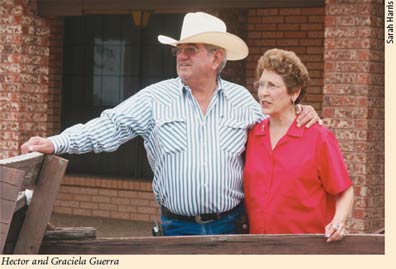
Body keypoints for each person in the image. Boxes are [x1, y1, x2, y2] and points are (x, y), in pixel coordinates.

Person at [21, 12, 320, 236]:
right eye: (179, 49)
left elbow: (279, 125)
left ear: (216, 58)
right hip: (176, 227)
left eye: (191, 48)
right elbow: (108, 127)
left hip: (232, 226)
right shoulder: (155, 98)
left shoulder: (242, 101)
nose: (181, 55)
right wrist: (55, 142)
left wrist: (302, 110)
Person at [243, 48, 354, 242]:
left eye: (272, 85)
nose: (263, 93)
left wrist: (338, 222)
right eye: (261, 85)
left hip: (306, 249)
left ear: (295, 92)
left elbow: (344, 190)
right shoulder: (253, 134)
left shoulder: (318, 137)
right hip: (258, 247)